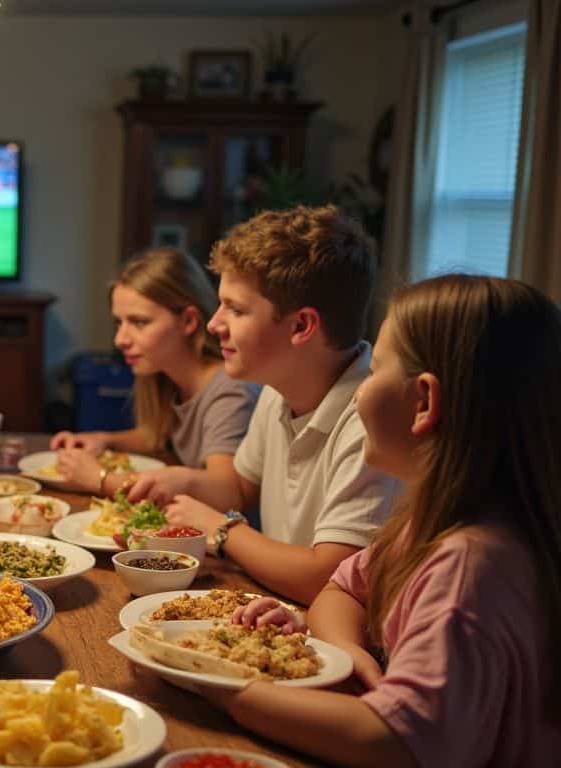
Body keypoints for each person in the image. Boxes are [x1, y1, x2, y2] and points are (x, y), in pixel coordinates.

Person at [212, 275, 561, 766]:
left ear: (424, 403)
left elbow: (392, 739)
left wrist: (224, 687)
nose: (359, 393)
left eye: (373, 371)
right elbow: (342, 591)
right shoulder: (429, 524)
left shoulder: (469, 566)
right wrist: (346, 651)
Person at [127, 205, 400, 604]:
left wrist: (222, 530)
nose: (214, 324)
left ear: (301, 326)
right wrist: (181, 481)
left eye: (236, 309)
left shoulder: (371, 420)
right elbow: (239, 488)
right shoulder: (279, 387)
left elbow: (328, 579)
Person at [50, 248, 257, 494]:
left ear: (188, 321)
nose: (120, 340)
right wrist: (104, 440)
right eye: (119, 322)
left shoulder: (230, 391)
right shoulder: (168, 377)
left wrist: (100, 478)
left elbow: (227, 490)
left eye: (139, 322)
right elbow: (155, 435)